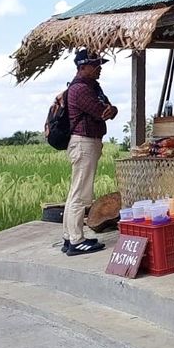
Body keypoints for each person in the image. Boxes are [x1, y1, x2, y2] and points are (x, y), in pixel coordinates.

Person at [62, 48, 117, 256]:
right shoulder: (81, 89)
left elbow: (109, 109)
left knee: (76, 191)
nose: (99, 69)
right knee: (80, 194)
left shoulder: (91, 86)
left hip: (86, 142)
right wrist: (108, 111)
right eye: (95, 66)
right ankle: (76, 240)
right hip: (84, 142)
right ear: (82, 67)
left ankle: (69, 236)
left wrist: (110, 110)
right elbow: (102, 111)